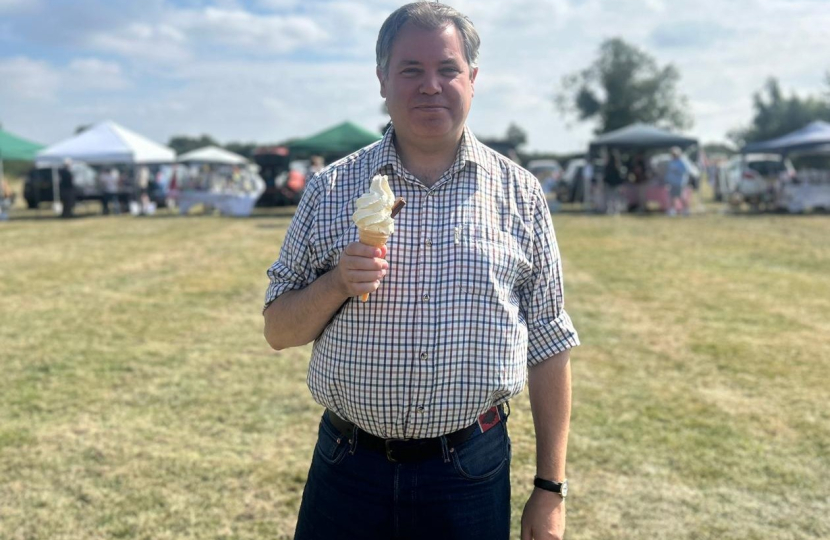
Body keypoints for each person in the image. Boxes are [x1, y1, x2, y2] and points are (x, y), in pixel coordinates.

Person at [263, 3, 579, 539]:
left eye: (447, 69)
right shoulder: (331, 189)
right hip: (348, 467)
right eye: (410, 69)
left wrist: (550, 490)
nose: (430, 86)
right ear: (383, 80)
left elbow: (548, 344)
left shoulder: (520, 195)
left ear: (472, 79)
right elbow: (278, 330)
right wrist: (337, 282)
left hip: (469, 472)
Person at [665, 146, 690, 216]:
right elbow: (669, 172)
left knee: (681, 196)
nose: (673, 155)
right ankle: (673, 210)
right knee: (672, 197)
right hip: (672, 182)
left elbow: (686, 171)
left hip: (679, 182)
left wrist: (677, 170)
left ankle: (686, 210)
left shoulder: (682, 161)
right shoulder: (671, 161)